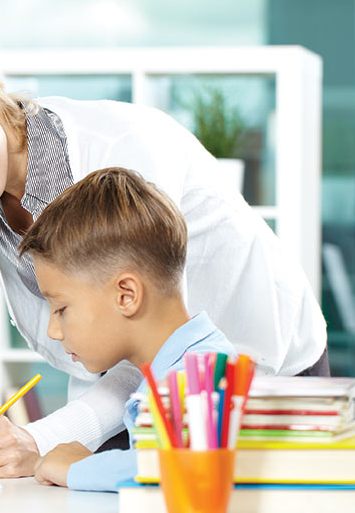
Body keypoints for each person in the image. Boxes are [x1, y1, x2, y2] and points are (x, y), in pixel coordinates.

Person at [0, 42, 327, 477]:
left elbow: (152, 333)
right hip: (131, 398)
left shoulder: (123, 149)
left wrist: (41, 437)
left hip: (261, 374)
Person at [22, 166, 235, 491]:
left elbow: (182, 470)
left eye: (61, 309)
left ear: (126, 295)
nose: (54, 330)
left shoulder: (202, 373)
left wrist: (80, 468)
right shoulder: (168, 373)